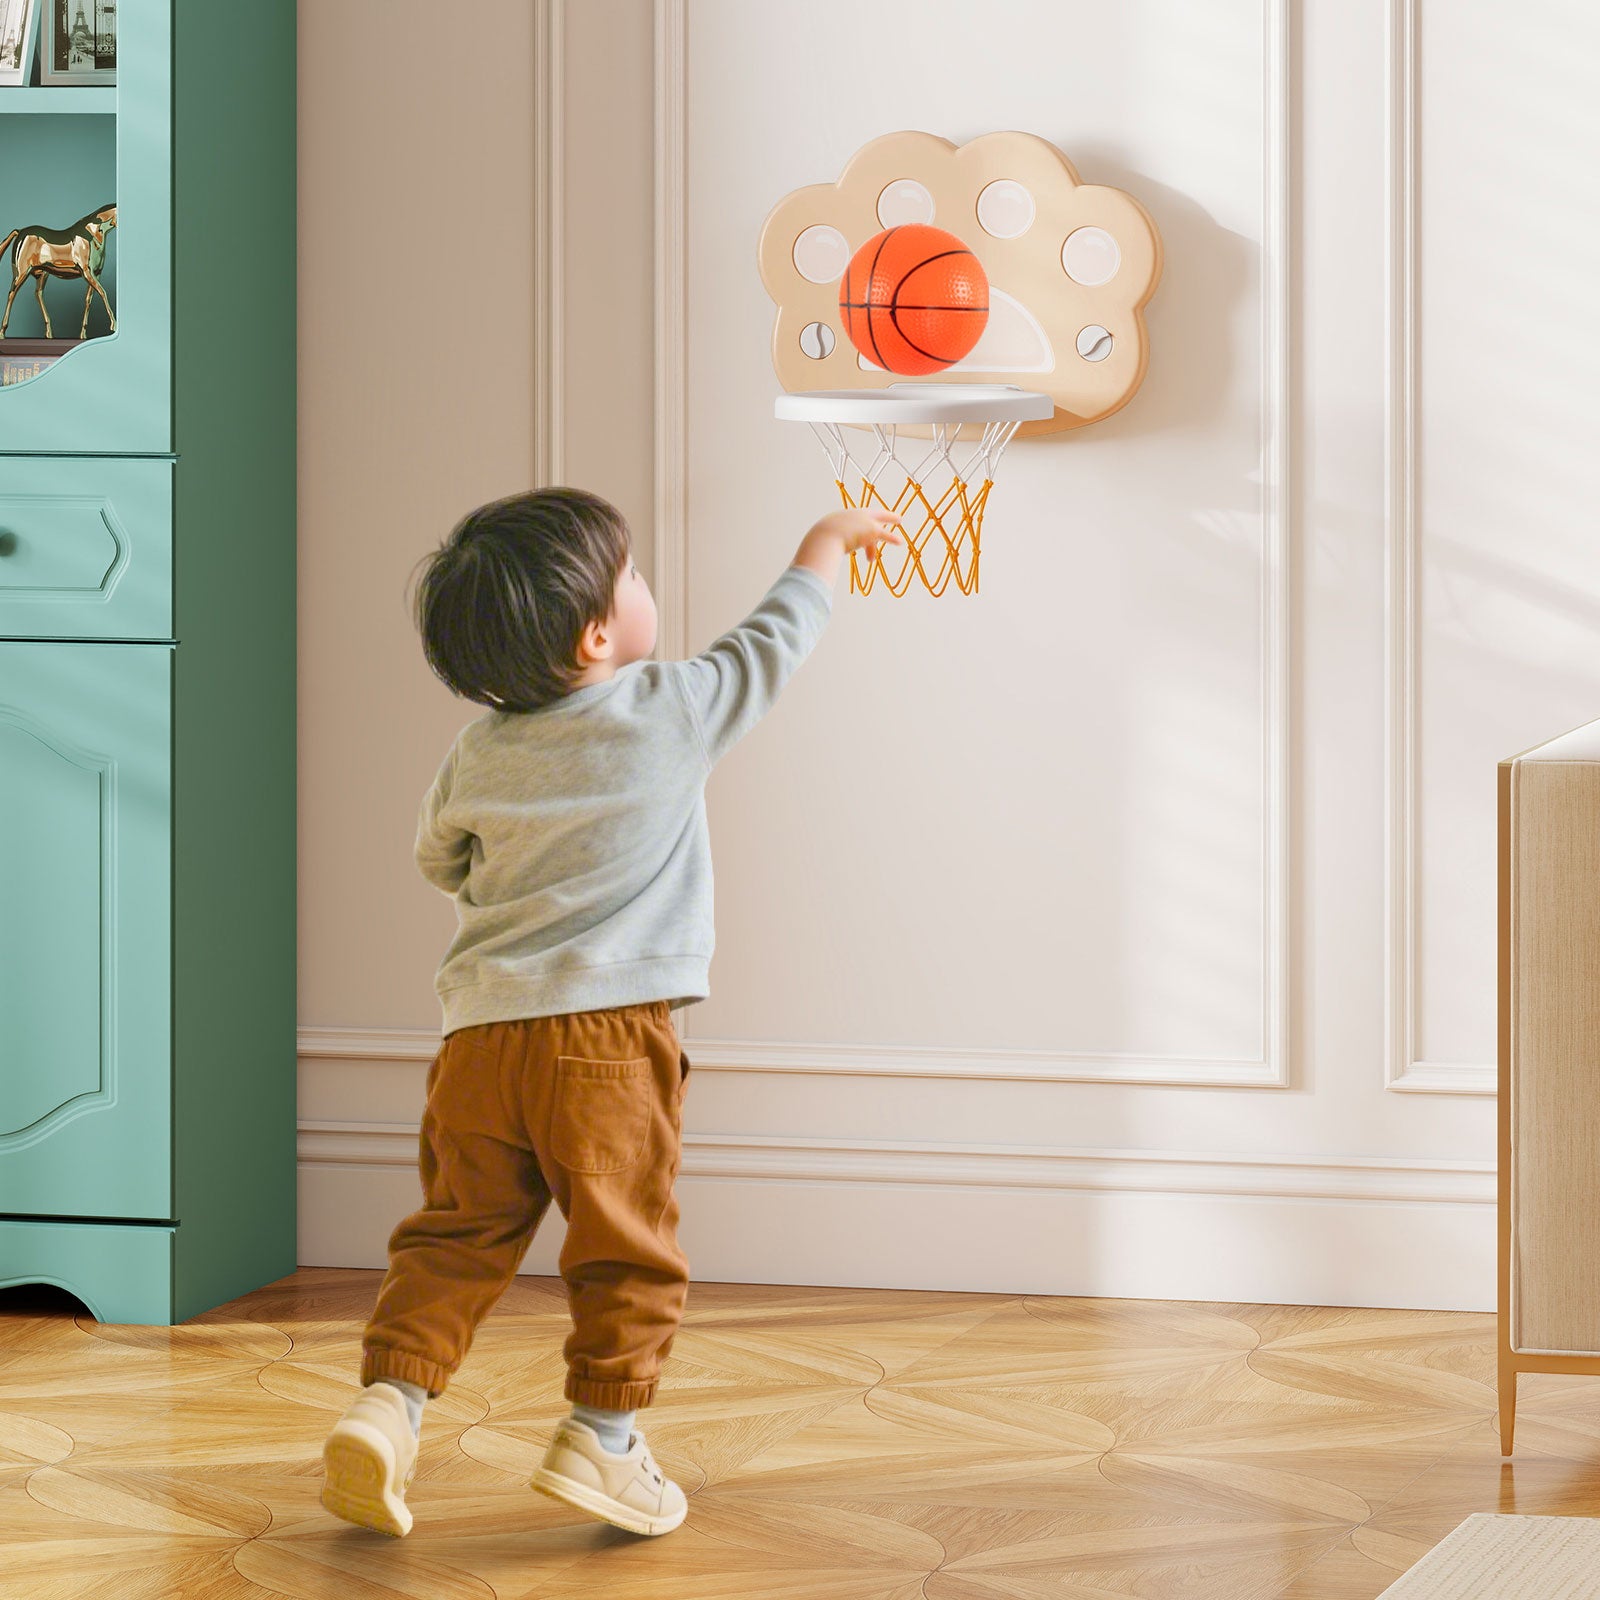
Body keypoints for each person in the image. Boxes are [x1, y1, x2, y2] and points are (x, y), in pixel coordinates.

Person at [319, 485, 903, 1540]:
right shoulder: (673, 706)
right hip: (607, 1041)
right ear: (597, 636)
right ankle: (602, 1436)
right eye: (627, 576)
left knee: (454, 1235)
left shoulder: (479, 750)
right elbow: (776, 639)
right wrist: (823, 542)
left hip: (480, 1040)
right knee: (624, 1244)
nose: (642, 586)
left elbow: (437, 858)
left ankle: (388, 1403)